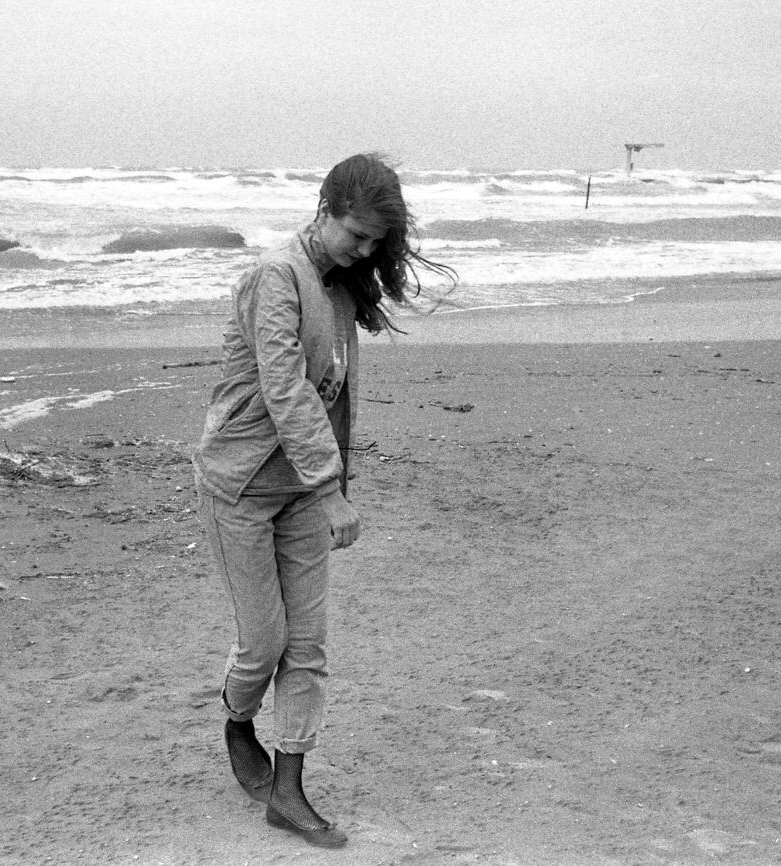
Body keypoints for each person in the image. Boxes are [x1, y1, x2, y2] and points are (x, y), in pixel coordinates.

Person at [193, 153, 454, 848]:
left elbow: (337, 395)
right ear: (325, 210)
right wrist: (330, 491)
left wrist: (333, 487)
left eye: (377, 242)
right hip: (242, 487)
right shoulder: (272, 278)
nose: (365, 250)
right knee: (264, 643)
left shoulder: (340, 287)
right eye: (357, 234)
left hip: (306, 493)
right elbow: (286, 391)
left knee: (308, 647)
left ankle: (289, 788)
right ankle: (236, 719)